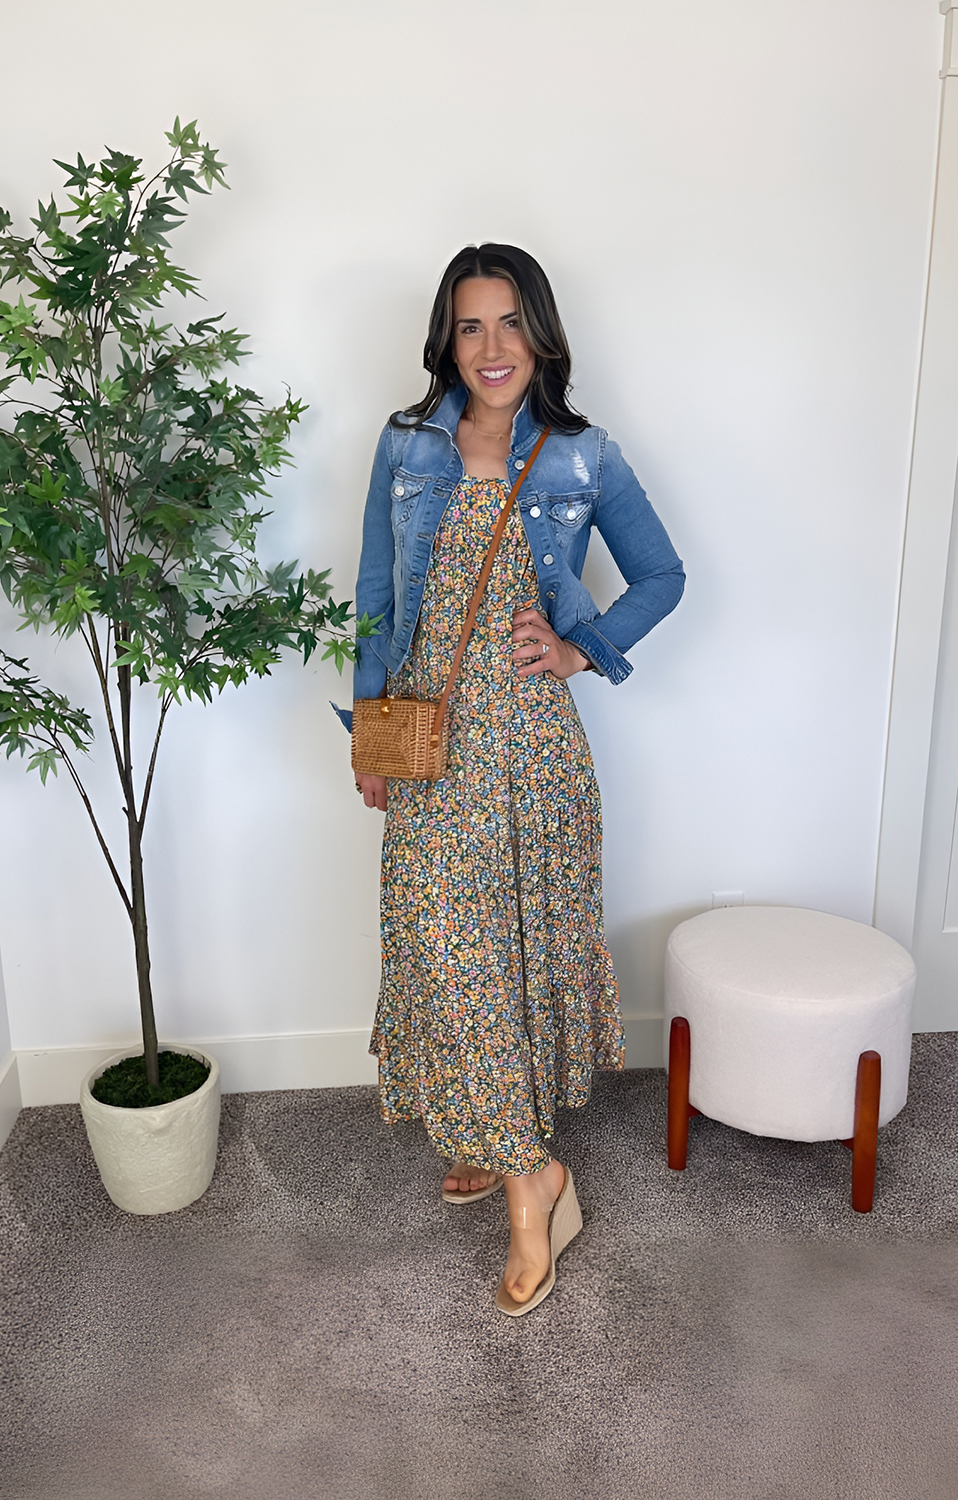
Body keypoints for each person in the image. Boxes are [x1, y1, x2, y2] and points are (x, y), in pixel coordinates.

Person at [346, 244, 684, 1314]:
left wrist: (583, 649)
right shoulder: (407, 447)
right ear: (445, 339)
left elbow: (664, 574)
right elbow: (370, 591)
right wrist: (369, 732)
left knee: (515, 946)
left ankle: (527, 1178)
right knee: (443, 941)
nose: (489, 350)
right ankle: (513, 1148)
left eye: (507, 324)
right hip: (434, 739)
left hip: (534, 744)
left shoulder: (582, 458)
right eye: (467, 327)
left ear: (541, 331)